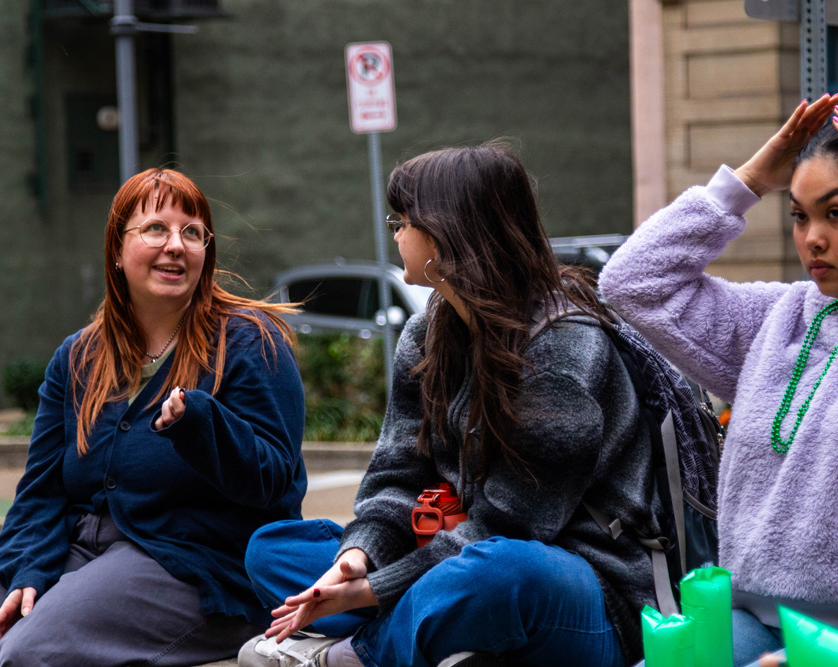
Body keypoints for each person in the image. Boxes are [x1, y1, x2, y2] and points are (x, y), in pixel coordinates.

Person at [238, 141, 667, 667]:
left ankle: (353, 655)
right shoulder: (426, 334)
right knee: (272, 549)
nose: (395, 233)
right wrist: (358, 558)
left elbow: (508, 528)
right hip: (447, 552)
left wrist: (371, 592)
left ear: (447, 232)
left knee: (497, 573)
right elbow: (396, 477)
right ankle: (443, 636)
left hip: (586, 589)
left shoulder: (563, 344)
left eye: (403, 220)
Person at [0, 168, 307, 666]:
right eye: (156, 228)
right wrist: (29, 569)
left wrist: (200, 424)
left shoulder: (249, 342)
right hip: (81, 549)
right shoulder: (78, 357)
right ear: (117, 250)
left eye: (192, 232)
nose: (176, 245)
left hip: (195, 565)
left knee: (30, 654)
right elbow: (41, 490)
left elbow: (274, 481)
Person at [598, 93, 838, 667]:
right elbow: (633, 283)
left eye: (837, 213)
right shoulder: (779, 319)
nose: (814, 239)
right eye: (800, 215)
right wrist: (752, 179)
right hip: (749, 621)